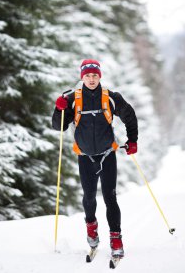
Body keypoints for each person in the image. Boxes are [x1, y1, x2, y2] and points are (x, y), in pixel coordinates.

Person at [52, 59, 138, 257]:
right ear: (82, 77)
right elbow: (59, 126)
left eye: (95, 75)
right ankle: (92, 228)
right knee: (89, 198)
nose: (91, 79)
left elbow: (130, 116)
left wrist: (132, 140)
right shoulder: (72, 98)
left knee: (110, 198)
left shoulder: (111, 98)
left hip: (108, 155)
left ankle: (116, 239)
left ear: (100, 76)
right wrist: (59, 109)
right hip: (85, 157)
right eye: (88, 76)